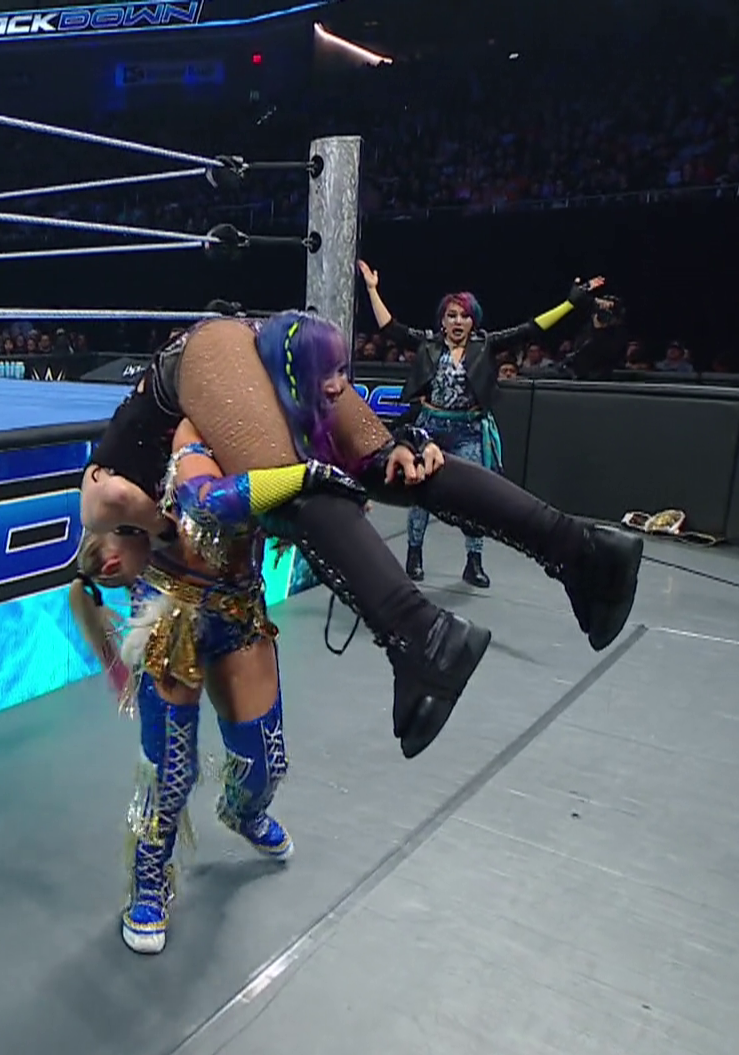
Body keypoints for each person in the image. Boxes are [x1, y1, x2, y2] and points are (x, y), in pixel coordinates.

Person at [82, 309, 642, 760]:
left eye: (110, 570)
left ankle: (424, 636)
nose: (120, 576)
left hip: (209, 352)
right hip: (258, 343)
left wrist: (158, 527)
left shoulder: (109, 498)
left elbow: (106, 500)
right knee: (391, 464)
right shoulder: (189, 441)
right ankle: (587, 553)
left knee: (289, 487)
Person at [69, 419, 303, 955]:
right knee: (170, 771)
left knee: (266, 762)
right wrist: (152, 526)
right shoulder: (155, 415)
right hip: (168, 609)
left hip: (239, 606)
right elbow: (108, 494)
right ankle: (149, 880)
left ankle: (243, 812)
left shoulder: (273, 416)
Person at [358, 263, 604, 588]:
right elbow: (391, 328)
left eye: (464, 316)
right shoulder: (429, 343)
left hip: (468, 431)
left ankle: (473, 561)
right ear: (442, 321)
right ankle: (414, 555)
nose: (457, 321)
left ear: (473, 320)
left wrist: (569, 304)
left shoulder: (485, 345)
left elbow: (530, 329)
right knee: (419, 492)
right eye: (451, 316)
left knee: (474, 498)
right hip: (429, 429)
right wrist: (372, 289)